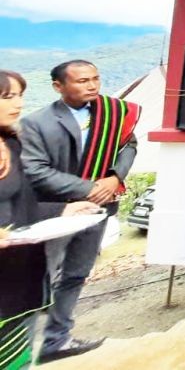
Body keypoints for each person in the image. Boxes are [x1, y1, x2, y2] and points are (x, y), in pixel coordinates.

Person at [19, 60, 139, 364]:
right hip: (55, 212)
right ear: (59, 87)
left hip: (97, 209)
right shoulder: (36, 123)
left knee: (75, 274)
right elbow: (34, 170)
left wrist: (114, 178)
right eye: (82, 81)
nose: (92, 86)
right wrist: (87, 188)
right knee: (39, 278)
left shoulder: (114, 114)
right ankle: (17, 349)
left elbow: (128, 146)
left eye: (96, 79)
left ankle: (57, 340)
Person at [1, 69, 101, 370]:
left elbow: (24, 206)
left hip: (20, 275)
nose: (17, 104)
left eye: (19, 95)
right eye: (7, 97)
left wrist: (63, 211)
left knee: (17, 359)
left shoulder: (14, 145)